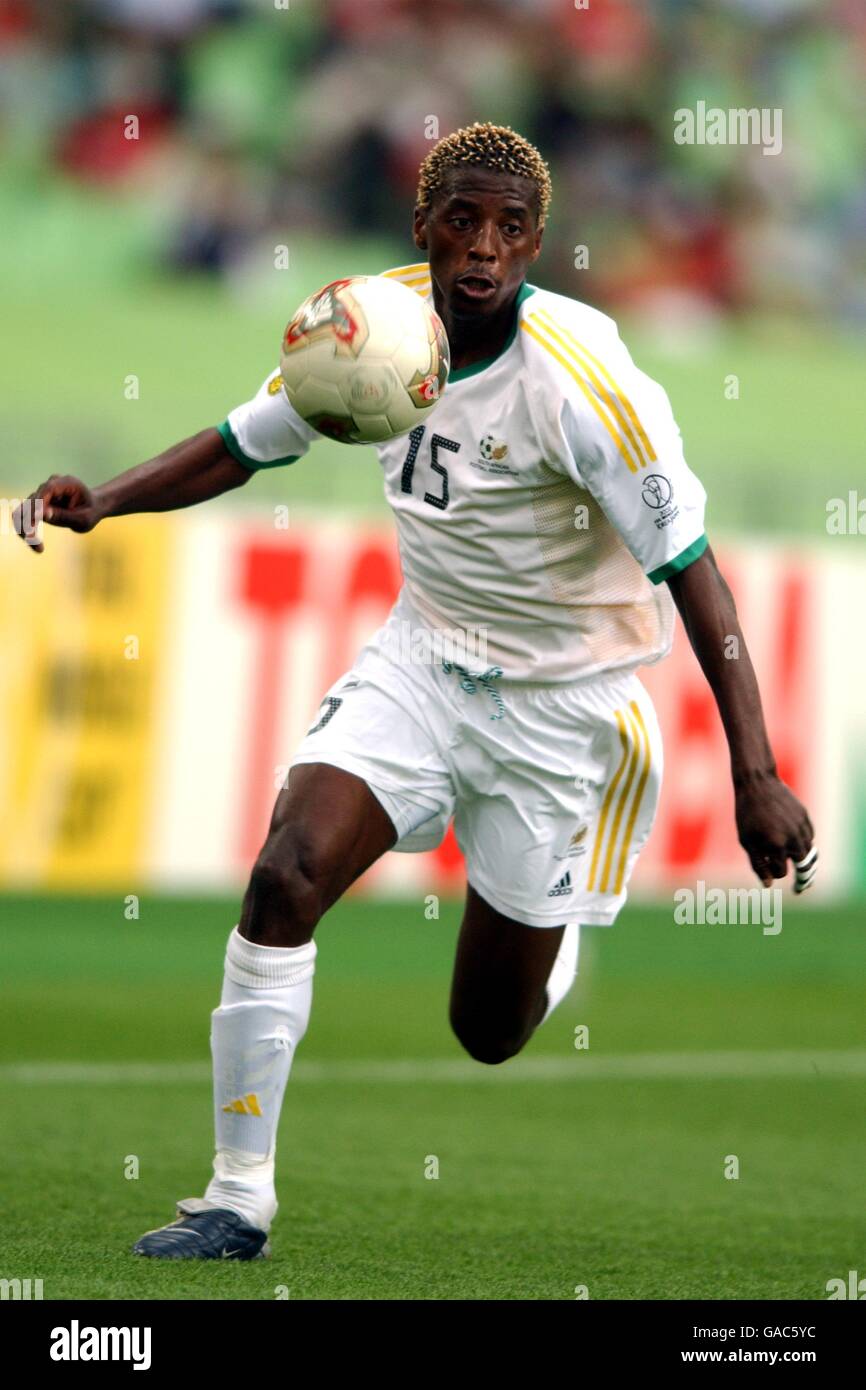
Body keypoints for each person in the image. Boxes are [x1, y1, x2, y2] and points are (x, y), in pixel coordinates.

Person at [14, 123, 816, 1261]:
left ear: (537, 244)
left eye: (509, 229)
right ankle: (236, 1197)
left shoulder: (586, 385)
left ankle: (563, 919)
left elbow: (693, 573)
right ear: (423, 228)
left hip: (563, 706)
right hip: (424, 660)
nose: (483, 249)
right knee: (286, 872)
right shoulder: (367, 325)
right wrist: (107, 499)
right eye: (462, 221)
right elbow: (245, 444)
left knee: (486, 1031)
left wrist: (755, 774)